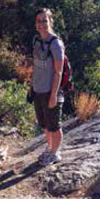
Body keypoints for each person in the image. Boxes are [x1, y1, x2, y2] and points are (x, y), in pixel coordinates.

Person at [31, 8, 64, 165]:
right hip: (38, 89)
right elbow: (36, 66)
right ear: (35, 24)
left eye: (45, 20)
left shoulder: (55, 43)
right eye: (39, 21)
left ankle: (56, 153)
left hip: (51, 91)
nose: (41, 24)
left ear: (50, 21)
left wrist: (53, 96)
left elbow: (58, 72)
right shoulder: (37, 40)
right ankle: (50, 148)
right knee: (44, 124)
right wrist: (32, 86)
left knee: (54, 125)